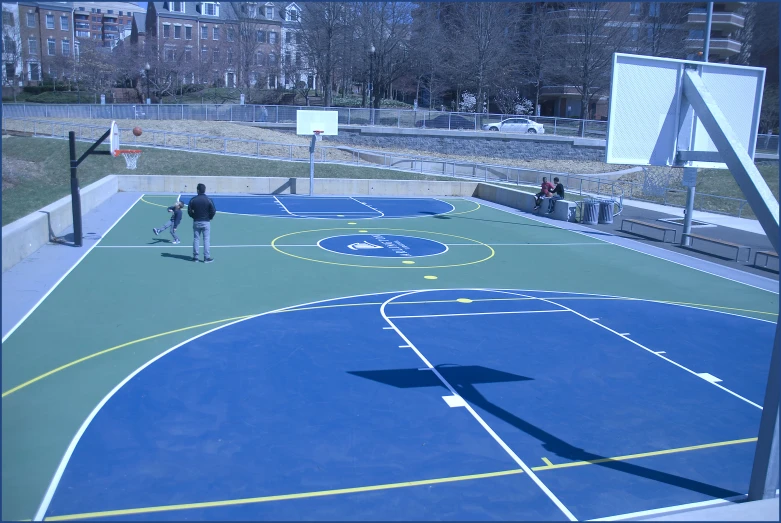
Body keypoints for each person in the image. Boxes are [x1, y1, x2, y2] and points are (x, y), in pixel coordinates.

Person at [188, 183, 217, 263]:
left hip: (196, 221)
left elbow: (189, 211)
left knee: (196, 239)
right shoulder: (208, 199)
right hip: (206, 222)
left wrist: (194, 216)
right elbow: (213, 211)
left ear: (197, 190)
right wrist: (210, 217)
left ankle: (195, 257)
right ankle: (206, 257)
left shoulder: (193, 199)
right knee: (206, 239)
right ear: (204, 190)